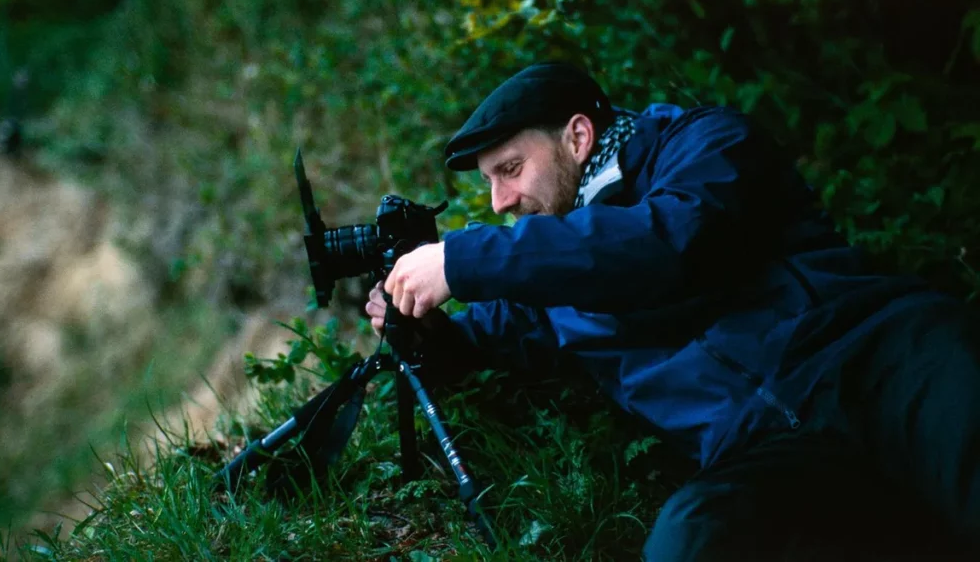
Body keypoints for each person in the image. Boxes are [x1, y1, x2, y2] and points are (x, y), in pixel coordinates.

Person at [364, 61, 980, 560]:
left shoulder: (702, 144)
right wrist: (416, 327)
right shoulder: (544, 269)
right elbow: (474, 349)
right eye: (489, 183)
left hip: (877, 358)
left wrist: (464, 259)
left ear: (577, 137)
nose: (499, 202)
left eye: (510, 170)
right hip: (763, 450)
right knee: (689, 539)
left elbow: (664, 246)